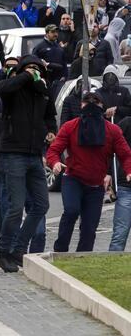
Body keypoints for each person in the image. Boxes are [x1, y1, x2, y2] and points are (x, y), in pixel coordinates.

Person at [0, 56, 56, 272]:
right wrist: (24, 75)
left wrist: (50, 131)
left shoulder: (43, 92)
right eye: (30, 68)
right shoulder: (13, 90)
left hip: (34, 154)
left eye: (37, 69)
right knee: (16, 207)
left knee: (41, 205)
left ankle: (18, 250)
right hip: (13, 154)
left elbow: (51, 118)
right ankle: (2, 252)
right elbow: (2, 88)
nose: (34, 71)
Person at [48, 91, 131, 252]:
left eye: (96, 102)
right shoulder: (71, 126)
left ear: (102, 107)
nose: (91, 106)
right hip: (73, 178)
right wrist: (55, 162)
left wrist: (128, 170)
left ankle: (83, 256)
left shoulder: (112, 130)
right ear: (81, 106)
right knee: (71, 211)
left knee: (89, 226)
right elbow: (54, 150)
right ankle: (60, 250)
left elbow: (125, 155)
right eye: (87, 102)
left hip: (96, 184)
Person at [110, 115, 131, 251]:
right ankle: (110, 268)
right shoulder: (127, 122)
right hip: (126, 186)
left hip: (125, 187)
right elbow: (110, 150)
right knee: (119, 235)